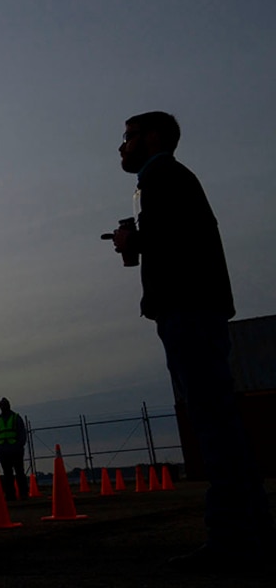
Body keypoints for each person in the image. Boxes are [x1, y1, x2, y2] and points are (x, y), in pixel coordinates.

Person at [111, 111, 272, 570]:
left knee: (213, 426)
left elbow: (168, 238)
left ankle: (232, 542)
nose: (122, 146)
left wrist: (131, 240)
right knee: (224, 425)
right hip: (197, 309)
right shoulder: (167, 180)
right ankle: (254, 533)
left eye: (129, 137)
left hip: (188, 311)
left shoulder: (162, 177)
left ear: (154, 137)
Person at [0, 397, 28, 501]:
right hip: (4, 451)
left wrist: (19, 445)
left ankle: (23, 494)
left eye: (5, 405)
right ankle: (10, 495)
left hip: (15, 450)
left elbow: (22, 433)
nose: (3, 407)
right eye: (2, 405)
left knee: (19, 472)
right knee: (8, 474)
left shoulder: (16, 418)